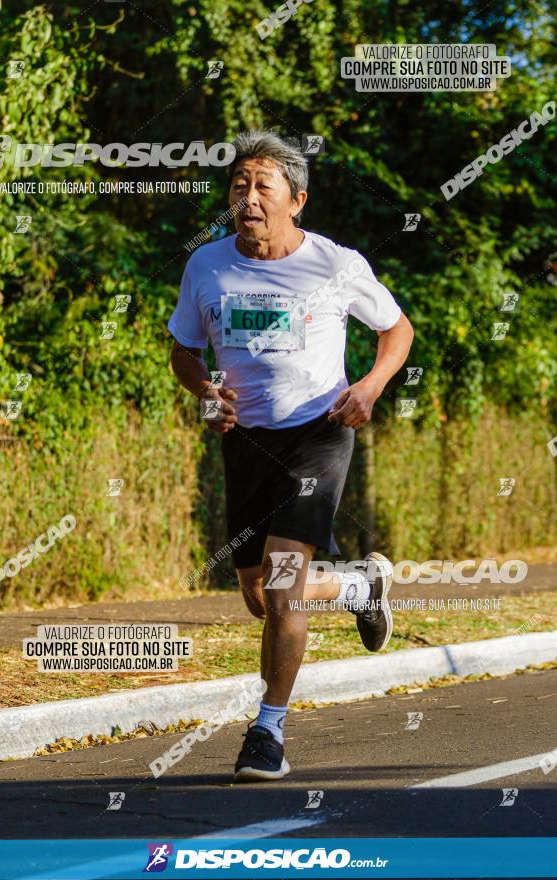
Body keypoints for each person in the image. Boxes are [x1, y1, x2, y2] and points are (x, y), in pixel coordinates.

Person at [168, 129, 414, 782]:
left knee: (280, 587)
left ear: (295, 200)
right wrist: (206, 392)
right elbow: (184, 350)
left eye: (262, 187)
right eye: (238, 185)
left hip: (318, 431)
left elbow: (396, 329)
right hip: (246, 442)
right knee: (259, 595)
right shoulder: (207, 266)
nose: (247, 197)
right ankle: (359, 585)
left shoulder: (333, 263)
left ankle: (267, 732)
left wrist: (368, 386)